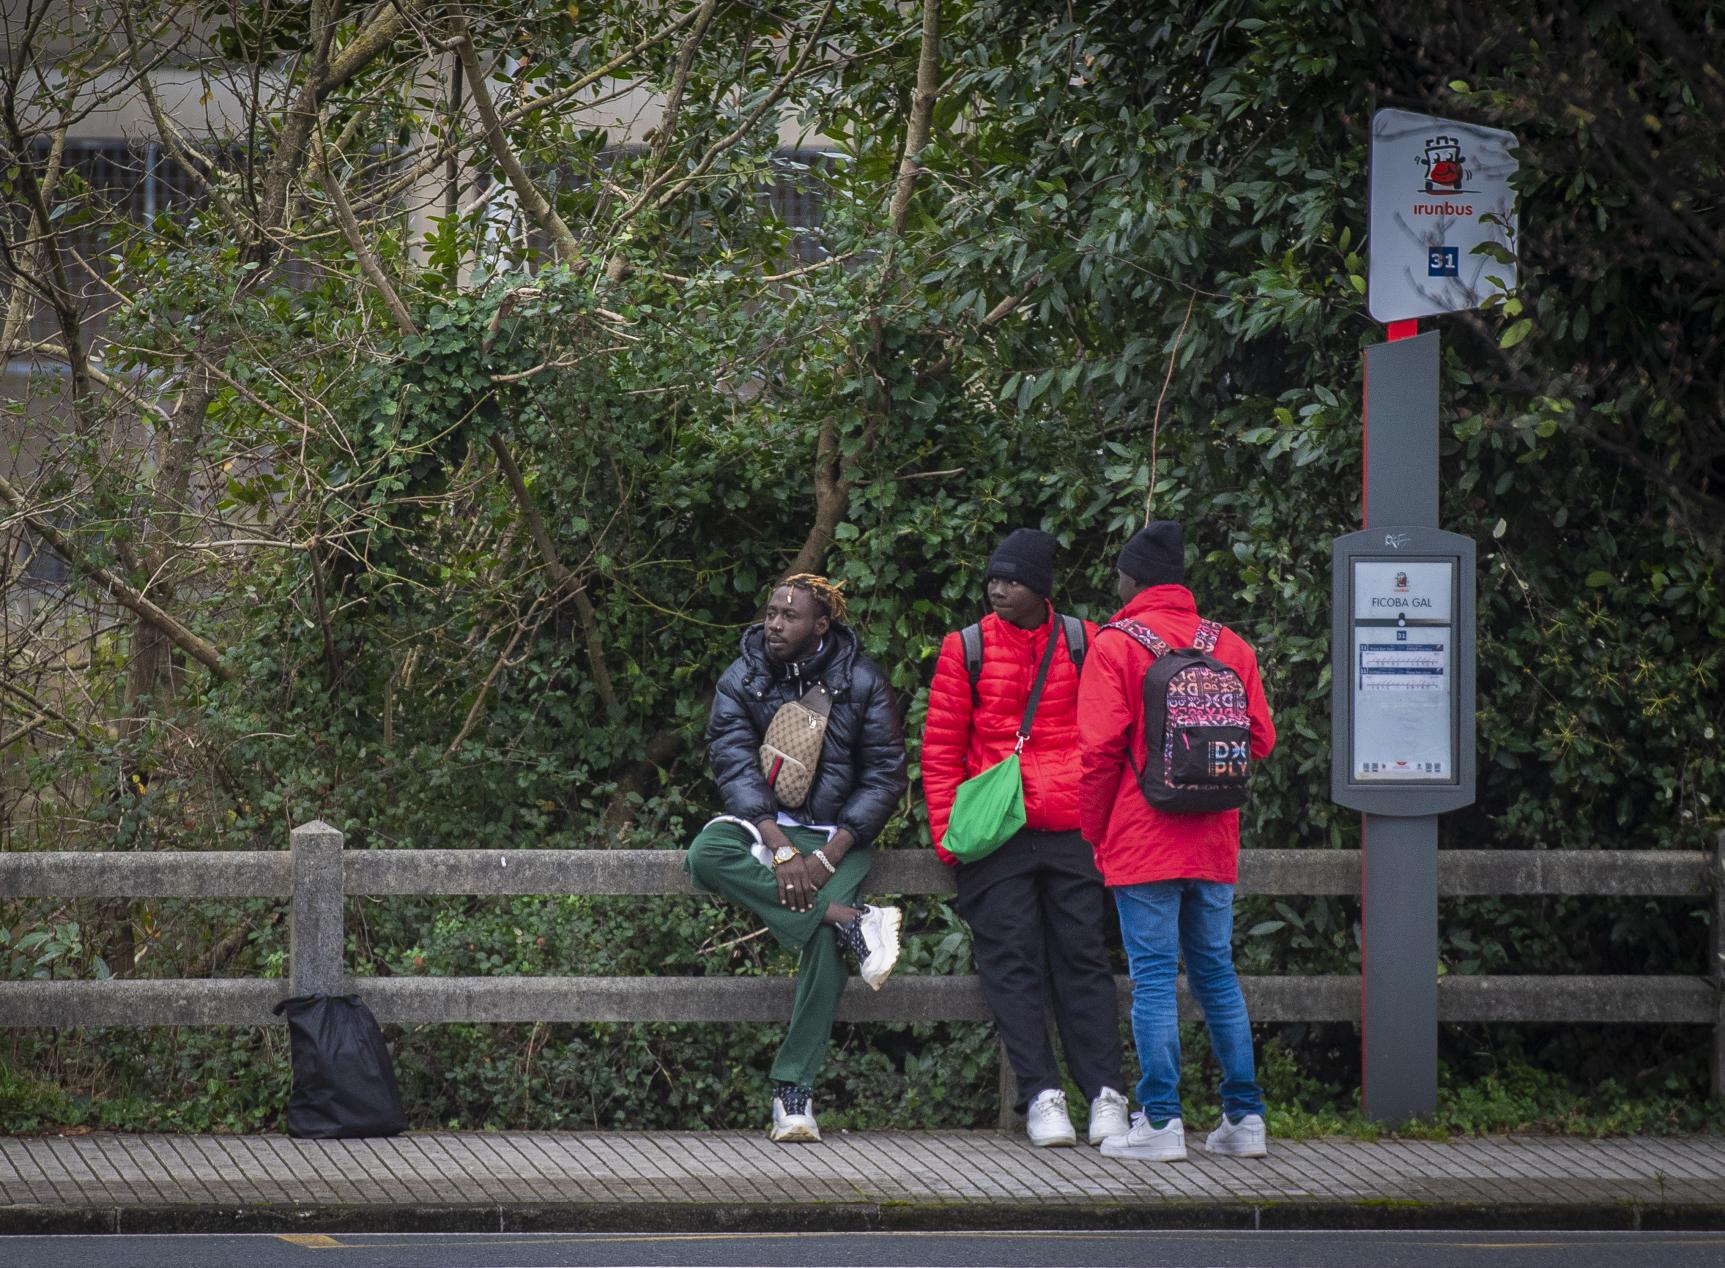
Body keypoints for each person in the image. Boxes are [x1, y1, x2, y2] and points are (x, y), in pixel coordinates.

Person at [921, 528, 1130, 1148]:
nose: (997, 588)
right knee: (1010, 964)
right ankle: (1041, 1094)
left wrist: (1107, 826)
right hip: (996, 831)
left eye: (1011, 579)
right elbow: (940, 747)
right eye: (993, 578)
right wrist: (950, 839)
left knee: (1083, 961)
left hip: (1073, 826)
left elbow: (1112, 738)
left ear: (1041, 586)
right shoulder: (966, 648)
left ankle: (1106, 1096)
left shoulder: (1085, 641)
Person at [1077, 521, 1277, 1162]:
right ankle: (1244, 1120)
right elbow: (1261, 741)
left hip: (1142, 837)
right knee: (1217, 973)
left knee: (1156, 979)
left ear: (1133, 579)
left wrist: (1095, 832)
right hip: (1214, 839)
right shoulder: (1229, 644)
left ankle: (1160, 1122)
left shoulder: (1115, 645)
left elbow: (1100, 750)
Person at [685, 573, 908, 1144]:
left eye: (789, 617)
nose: (774, 624)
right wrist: (779, 846)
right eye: (770, 613)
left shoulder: (862, 681)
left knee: (824, 948)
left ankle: (792, 1092)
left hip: (838, 835)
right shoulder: (743, 677)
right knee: (706, 852)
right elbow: (733, 765)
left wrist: (830, 853)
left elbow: (885, 776)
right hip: (765, 826)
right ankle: (852, 921)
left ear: (821, 626)